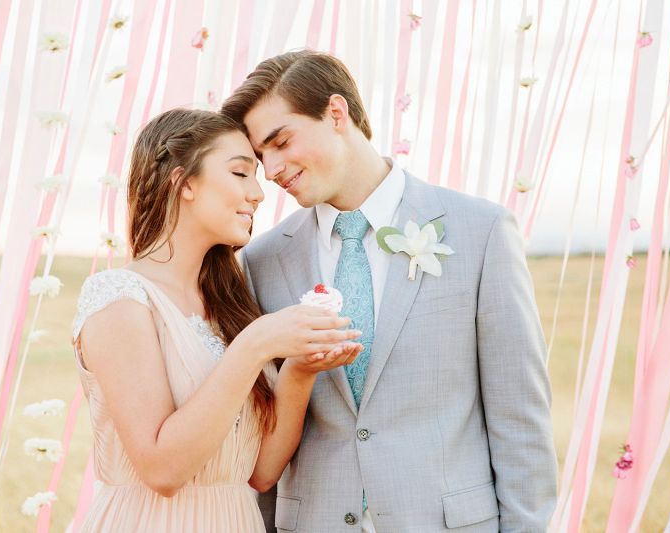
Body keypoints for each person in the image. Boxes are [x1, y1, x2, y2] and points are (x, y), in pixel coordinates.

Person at [222, 50, 557, 532]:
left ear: (336, 113)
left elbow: (520, 421)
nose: (271, 169)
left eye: (281, 141)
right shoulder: (261, 261)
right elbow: (261, 436)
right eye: (260, 156)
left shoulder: (480, 232)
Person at [71, 108, 363, 532]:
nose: (259, 194)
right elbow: (162, 470)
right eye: (241, 173)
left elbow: (259, 473)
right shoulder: (119, 299)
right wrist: (255, 345)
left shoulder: (229, 302)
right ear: (184, 182)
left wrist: (300, 371)